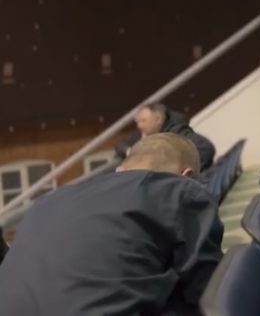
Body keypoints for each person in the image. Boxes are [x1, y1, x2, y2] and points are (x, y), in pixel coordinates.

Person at [0, 133, 223, 315]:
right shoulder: (178, 190)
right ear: (186, 175)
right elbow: (209, 289)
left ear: (120, 169)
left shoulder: (47, 202)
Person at [115, 102, 216, 170]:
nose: (139, 125)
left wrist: (174, 172)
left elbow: (206, 148)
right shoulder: (145, 133)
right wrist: (129, 151)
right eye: (138, 121)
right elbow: (120, 144)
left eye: (143, 121)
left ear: (158, 120)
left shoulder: (177, 133)